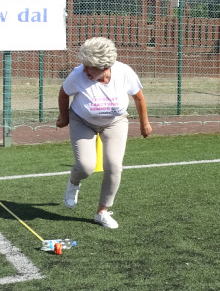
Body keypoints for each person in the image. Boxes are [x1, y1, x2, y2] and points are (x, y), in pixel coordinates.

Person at [56, 37, 151, 229]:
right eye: (84, 65)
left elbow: (139, 98)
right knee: (85, 167)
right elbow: (64, 93)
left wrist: (144, 124)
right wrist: (64, 117)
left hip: (114, 122)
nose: (85, 70)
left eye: (90, 67)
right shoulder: (77, 75)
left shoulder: (124, 73)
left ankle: (102, 212)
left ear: (105, 67)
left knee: (114, 167)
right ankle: (74, 182)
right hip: (82, 121)